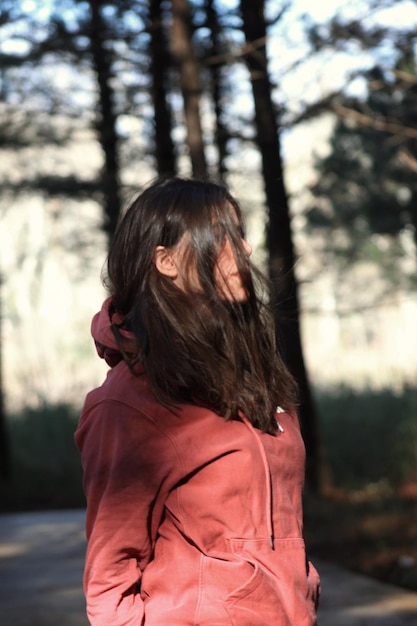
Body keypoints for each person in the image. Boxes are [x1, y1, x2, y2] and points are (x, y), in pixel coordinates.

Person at [75, 177, 320, 626]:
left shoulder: (253, 377)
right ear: (165, 262)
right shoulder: (130, 403)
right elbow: (109, 581)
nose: (243, 248)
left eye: (240, 232)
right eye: (222, 235)